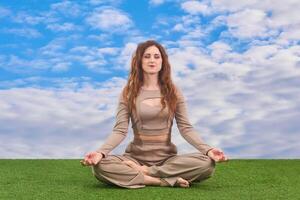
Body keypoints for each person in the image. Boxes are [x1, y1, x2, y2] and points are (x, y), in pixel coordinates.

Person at [81, 40, 228, 189]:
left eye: (157, 56)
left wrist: (208, 150)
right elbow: (120, 130)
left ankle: (146, 173)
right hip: (135, 158)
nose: (152, 60)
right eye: (147, 56)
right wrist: (101, 153)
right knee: (100, 166)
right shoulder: (128, 92)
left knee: (207, 164)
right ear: (139, 61)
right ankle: (160, 181)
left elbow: (185, 128)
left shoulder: (174, 92)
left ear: (163, 61)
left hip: (167, 161)